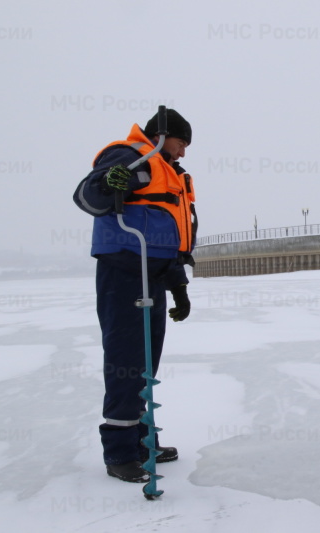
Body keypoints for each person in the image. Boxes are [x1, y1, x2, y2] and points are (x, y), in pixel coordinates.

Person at [73, 109, 197, 483]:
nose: (183, 153)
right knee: (126, 362)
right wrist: (109, 184)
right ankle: (120, 452)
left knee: (146, 363)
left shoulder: (166, 169)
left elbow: (166, 233)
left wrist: (178, 286)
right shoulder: (129, 157)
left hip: (155, 274)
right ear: (163, 136)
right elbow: (87, 197)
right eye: (181, 143)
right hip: (124, 273)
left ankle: (143, 440)